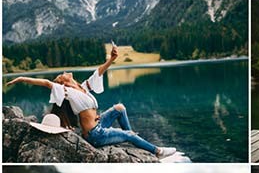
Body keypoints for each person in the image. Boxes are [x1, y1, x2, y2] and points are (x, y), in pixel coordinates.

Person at [5, 44, 178, 159]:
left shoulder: (83, 87)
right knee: (129, 135)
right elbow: (44, 82)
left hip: (99, 124)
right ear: (62, 82)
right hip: (94, 135)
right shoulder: (65, 91)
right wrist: (20, 78)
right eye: (62, 74)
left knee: (119, 107)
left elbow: (99, 72)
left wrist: (111, 59)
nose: (65, 71)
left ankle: (131, 139)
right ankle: (157, 151)